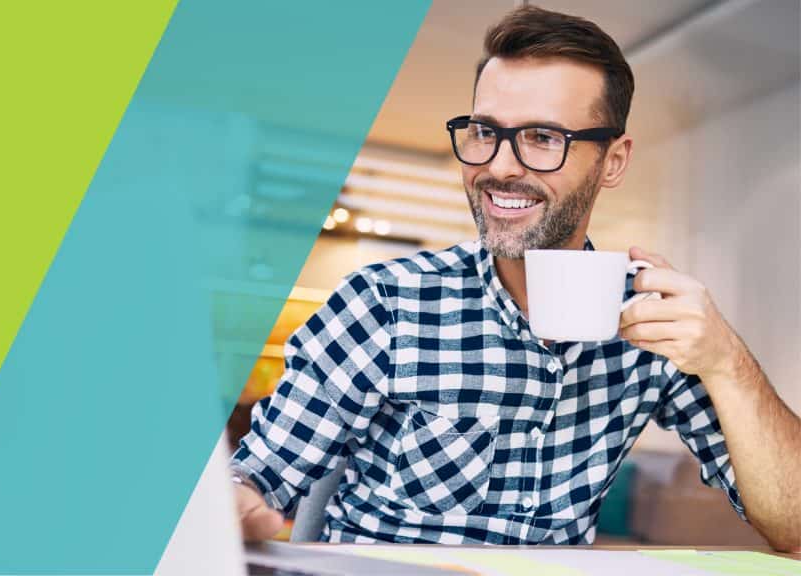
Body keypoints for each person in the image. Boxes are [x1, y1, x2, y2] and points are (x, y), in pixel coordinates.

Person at [229, 6, 801, 551]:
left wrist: (727, 361)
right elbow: (259, 475)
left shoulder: (655, 324)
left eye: (544, 138)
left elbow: (794, 528)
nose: (500, 166)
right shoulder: (386, 304)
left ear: (614, 161)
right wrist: (238, 504)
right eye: (484, 131)